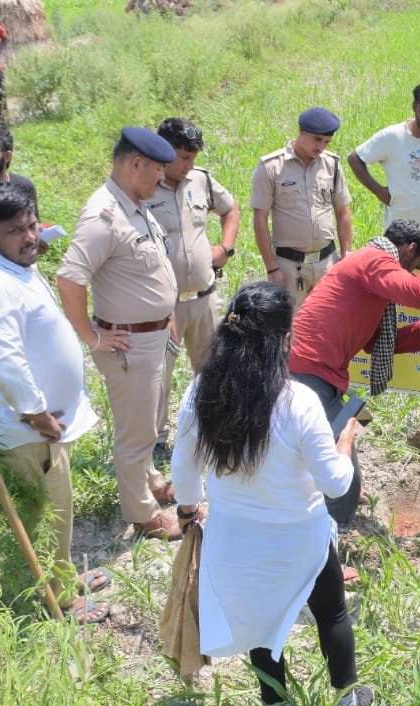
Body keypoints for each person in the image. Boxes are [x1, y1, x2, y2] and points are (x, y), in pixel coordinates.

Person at [172, 281, 373, 706]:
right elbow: (335, 483)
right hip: (299, 537)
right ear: (284, 340)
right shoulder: (298, 402)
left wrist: (190, 509)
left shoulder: (202, 390)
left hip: (234, 539)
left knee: (261, 626)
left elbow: (184, 467)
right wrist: (345, 443)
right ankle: (348, 701)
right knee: (331, 613)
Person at [0, 182, 106, 622]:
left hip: (43, 427)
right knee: (45, 516)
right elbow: (5, 361)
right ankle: (59, 601)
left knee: (57, 509)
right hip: (29, 431)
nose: (29, 237)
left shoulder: (8, 263)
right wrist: (37, 414)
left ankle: (63, 577)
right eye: (16, 231)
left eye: (32, 226)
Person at [289, 219, 420, 527]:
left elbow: (375, 343)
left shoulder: (371, 268)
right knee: (346, 470)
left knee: (358, 421)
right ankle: (336, 531)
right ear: (409, 249)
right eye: (416, 266)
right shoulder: (375, 259)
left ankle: (324, 490)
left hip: (318, 372)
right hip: (310, 372)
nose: (412, 274)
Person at [55, 127, 182, 540]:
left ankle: (150, 479)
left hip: (152, 337)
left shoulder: (135, 206)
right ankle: (142, 515)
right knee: (135, 431)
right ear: (135, 164)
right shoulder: (103, 216)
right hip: (129, 343)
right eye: (157, 169)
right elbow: (69, 279)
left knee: (146, 421)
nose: (162, 177)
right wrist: (93, 337)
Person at [147, 117, 240, 457]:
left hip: (204, 298)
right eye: (183, 157)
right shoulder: (143, 186)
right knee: (158, 376)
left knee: (212, 369)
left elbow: (231, 209)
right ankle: (157, 441)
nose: (189, 164)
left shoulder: (200, 180)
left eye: (193, 157)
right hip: (163, 305)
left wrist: (225, 248)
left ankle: (213, 430)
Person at [250, 107, 352, 307]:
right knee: (291, 323)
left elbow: (343, 212)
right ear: (300, 131)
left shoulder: (332, 165)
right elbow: (260, 219)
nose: (321, 147)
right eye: (317, 139)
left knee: (328, 322)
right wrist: (272, 268)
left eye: (327, 142)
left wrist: (346, 256)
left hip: (327, 264)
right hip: (289, 267)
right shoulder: (272, 167)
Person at [348, 80, 420, 238]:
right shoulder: (393, 137)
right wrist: (379, 191)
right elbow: (355, 158)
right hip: (399, 235)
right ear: (414, 107)